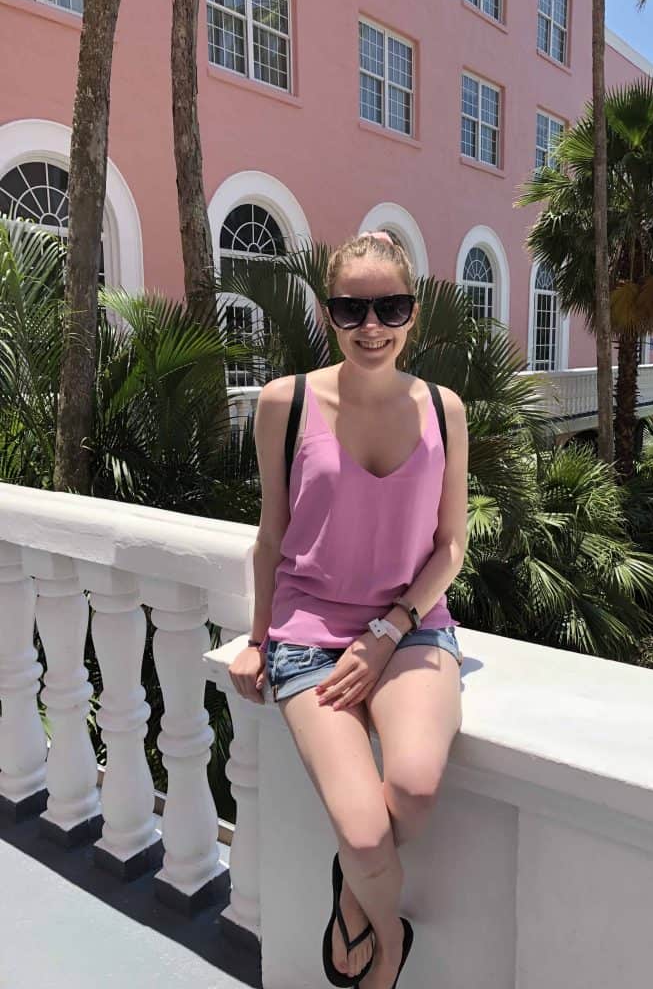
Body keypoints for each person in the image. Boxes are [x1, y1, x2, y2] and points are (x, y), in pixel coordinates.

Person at [228, 231, 469, 989]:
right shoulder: (286, 401)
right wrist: (259, 639)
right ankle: (386, 939)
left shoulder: (443, 408)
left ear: (413, 312)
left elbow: (452, 547)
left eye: (390, 307)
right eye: (351, 309)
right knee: (365, 835)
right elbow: (271, 536)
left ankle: (357, 907)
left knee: (418, 790)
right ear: (330, 313)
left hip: (412, 624)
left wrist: (388, 630)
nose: (372, 327)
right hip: (308, 632)